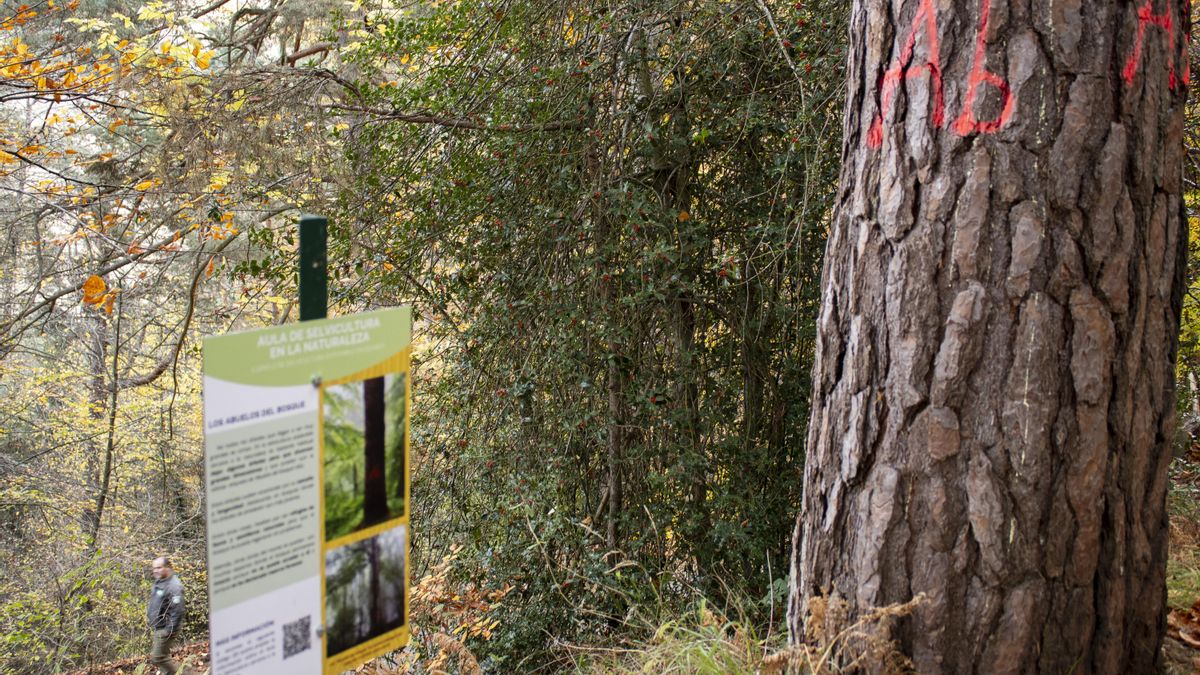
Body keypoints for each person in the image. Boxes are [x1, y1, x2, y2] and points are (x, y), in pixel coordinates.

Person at [146, 556, 187, 675]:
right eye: (154, 568)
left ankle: (182, 673)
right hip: (159, 625)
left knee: (158, 657)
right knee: (164, 656)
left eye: (159, 568)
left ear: (167, 568)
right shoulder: (160, 580)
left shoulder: (174, 586)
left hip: (166, 627)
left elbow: (178, 610)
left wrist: (170, 629)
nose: (155, 571)